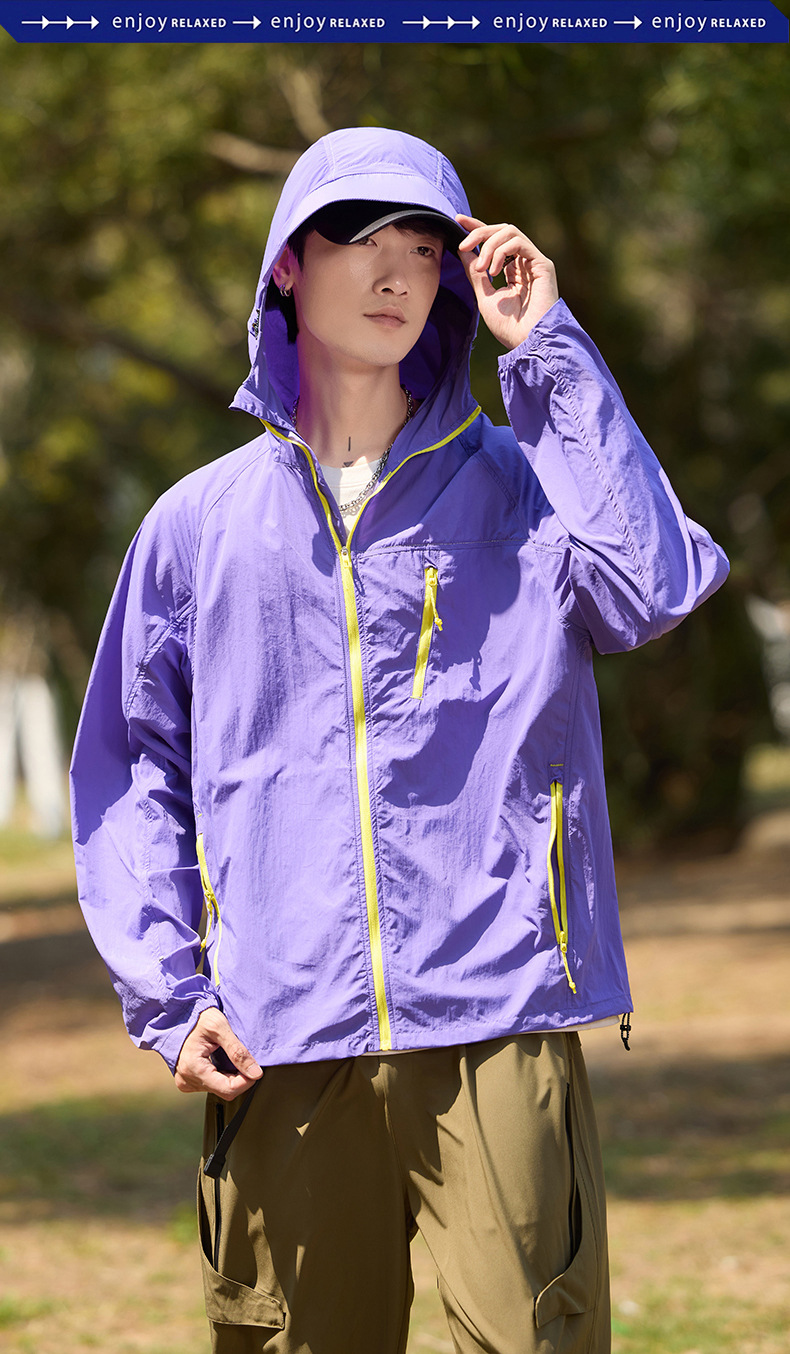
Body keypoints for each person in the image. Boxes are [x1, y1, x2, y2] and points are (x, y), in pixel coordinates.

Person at [70, 127, 729, 1354]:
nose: (393, 272)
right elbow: (132, 766)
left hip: (497, 1013)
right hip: (281, 1033)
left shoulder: (527, 487)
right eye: (358, 238)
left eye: (423, 247)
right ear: (287, 264)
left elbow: (651, 587)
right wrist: (168, 990)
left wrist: (550, 355)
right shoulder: (195, 526)